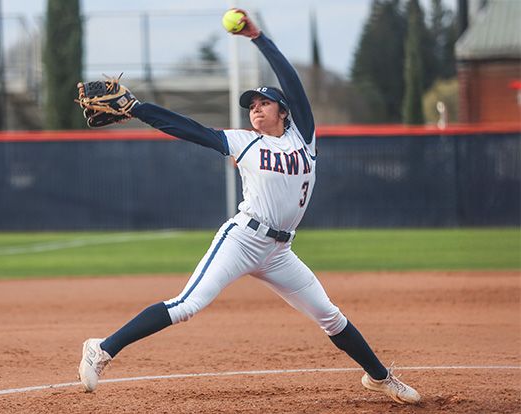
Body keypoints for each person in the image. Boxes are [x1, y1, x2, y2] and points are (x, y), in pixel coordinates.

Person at [78, 9, 421, 405]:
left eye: (264, 102)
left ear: (283, 111)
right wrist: (138, 109)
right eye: (251, 104)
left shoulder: (303, 138)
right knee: (187, 304)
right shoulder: (243, 142)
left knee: (330, 316)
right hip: (243, 239)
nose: (256, 108)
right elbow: (188, 128)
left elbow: (291, 81)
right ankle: (101, 349)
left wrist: (258, 37)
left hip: (280, 252)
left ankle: (380, 378)